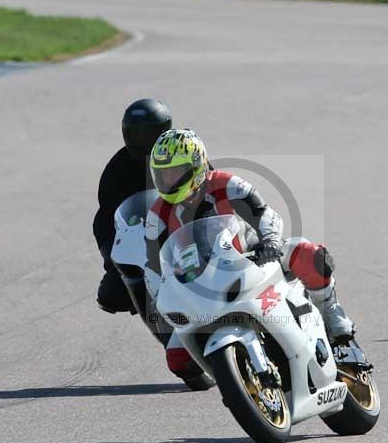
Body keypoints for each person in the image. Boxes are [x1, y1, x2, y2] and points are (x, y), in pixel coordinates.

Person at [143, 129, 356, 378]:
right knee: (177, 360)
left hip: (255, 260)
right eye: (162, 174)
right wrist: (161, 296)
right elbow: (154, 265)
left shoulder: (225, 183)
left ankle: (330, 309)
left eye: (175, 172)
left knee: (309, 254)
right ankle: (234, 373)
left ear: (197, 166)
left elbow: (264, 213)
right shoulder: (157, 216)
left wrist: (271, 241)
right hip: (202, 286)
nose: (168, 180)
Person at [93, 99, 172, 312]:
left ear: (163, 131)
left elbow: (210, 188)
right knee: (111, 296)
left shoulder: (182, 151)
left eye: (147, 134)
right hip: (141, 247)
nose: (141, 141)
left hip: (183, 238)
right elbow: (104, 218)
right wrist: (112, 255)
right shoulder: (118, 168)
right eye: (134, 134)